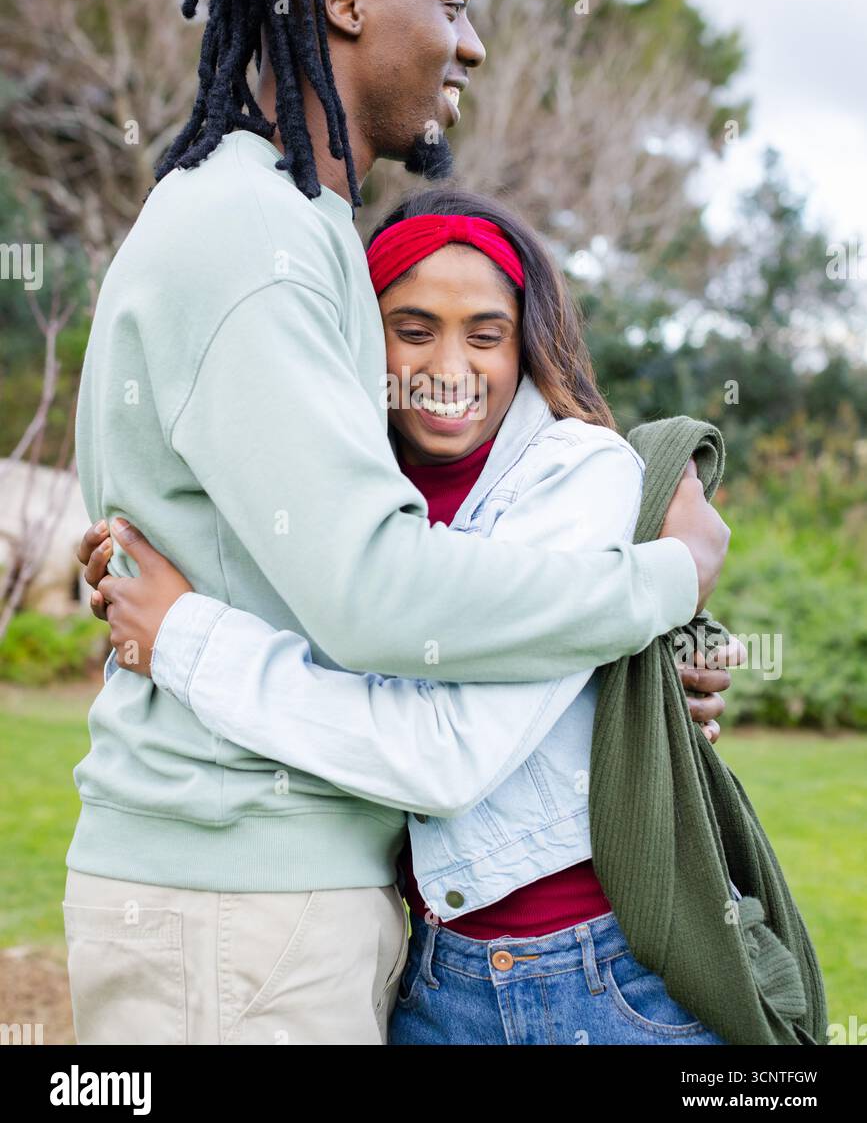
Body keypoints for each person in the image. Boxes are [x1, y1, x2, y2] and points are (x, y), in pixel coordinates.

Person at [66, 0, 731, 1046]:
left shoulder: (287, 225)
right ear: (344, 1)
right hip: (236, 903)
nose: (472, 41)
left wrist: (615, 676)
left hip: (276, 898)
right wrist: (659, 580)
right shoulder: (253, 236)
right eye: (455, 2)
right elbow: (380, 595)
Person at [78, 188, 741, 1045]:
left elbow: (441, 756)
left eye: (487, 335)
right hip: (428, 972)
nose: (450, 367)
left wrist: (181, 636)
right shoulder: (340, 495)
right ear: (359, 337)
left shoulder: (575, 475)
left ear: (526, 343)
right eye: (414, 329)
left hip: (589, 977)